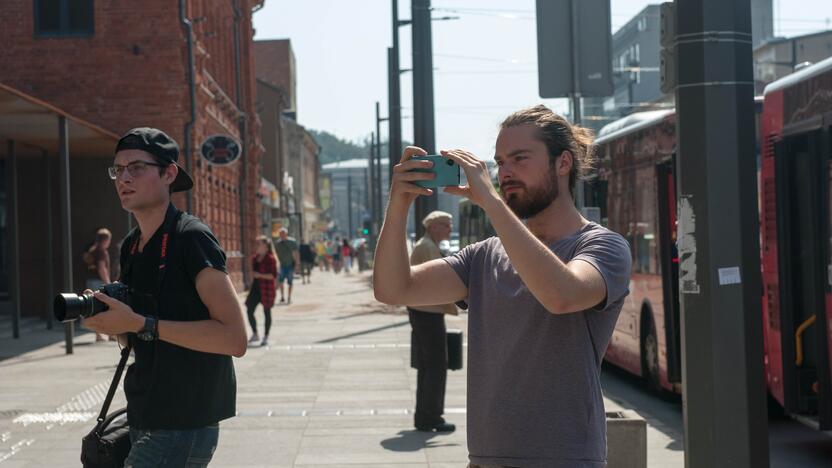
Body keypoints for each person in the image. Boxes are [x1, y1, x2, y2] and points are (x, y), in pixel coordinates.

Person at [373, 105, 632, 468]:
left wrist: (492, 203)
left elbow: (562, 294)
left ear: (563, 163)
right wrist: (398, 205)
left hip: (566, 460)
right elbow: (393, 289)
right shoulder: (483, 256)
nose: (504, 172)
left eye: (519, 159)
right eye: (499, 162)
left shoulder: (602, 246)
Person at [83, 127, 247, 467]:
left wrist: (144, 323)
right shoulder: (131, 245)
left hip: (183, 421)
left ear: (169, 173)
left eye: (137, 168)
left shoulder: (191, 238)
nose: (123, 178)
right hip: (143, 411)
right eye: (118, 169)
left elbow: (234, 338)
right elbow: (134, 337)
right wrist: (110, 321)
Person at [408, 210, 457, 433]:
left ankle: (424, 416)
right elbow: (440, 279)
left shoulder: (426, 245)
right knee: (436, 366)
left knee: (428, 367)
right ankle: (432, 416)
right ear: (433, 227)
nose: (449, 228)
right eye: (446, 225)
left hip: (424, 310)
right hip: (427, 312)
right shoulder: (427, 247)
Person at [246, 235, 277, 346]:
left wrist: (260, 275)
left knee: (266, 312)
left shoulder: (270, 258)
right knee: (249, 309)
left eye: (259, 243)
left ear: (266, 246)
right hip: (255, 288)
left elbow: (273, 275)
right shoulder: (255, 258)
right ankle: (255, 333)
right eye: (257, 243)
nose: (257, 246)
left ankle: (266, 336)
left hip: (266, 288)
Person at [83, 227, 112, 342]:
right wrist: (108, 282)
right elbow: (101, 268)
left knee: (94, 308)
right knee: (105, 307)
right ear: (105, 240)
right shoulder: (101, 251)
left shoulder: (92, 250)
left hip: (91, 281)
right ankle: (106, 334)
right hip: (99, 282)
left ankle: (99, 334)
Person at [274, 228, 299, 304]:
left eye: (283, 234)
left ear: (286, 234)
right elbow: (275, 255)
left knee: (290, 282)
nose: (282, 235)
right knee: (281, 281)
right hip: (282, 265)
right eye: (280, 234)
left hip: (290, 265)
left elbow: (296, 253)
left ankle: (289, 297)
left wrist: (297, 264)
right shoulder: (277, 244)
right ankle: (282, 297)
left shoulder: (292, 242)